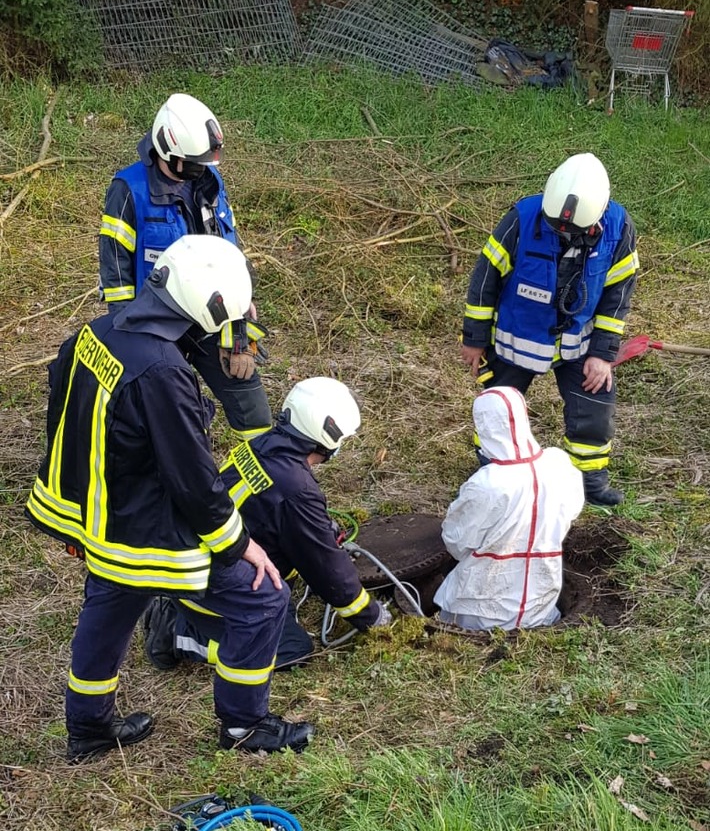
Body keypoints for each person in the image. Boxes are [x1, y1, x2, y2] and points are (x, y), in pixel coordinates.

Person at [27, 235, 314, 762]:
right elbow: (192, 479)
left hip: (99, 517)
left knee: (112, 603)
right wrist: (238, 545)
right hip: (144, 527)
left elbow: (61, 417)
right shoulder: (164, 372)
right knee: (261, 598)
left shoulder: (99, 331)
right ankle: (244, 728)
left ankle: (88, 728)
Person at [142, 377, 392, 673]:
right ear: (329, 435)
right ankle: (177, 634)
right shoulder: (296, 489)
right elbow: (329, 572)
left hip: (197, 563)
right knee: (290, 650)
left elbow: (268, 513)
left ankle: (177, 605)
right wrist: (371, 617)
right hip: (214, 588)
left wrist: (319, 527)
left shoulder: (261, 445)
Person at [460, 153, 638, 506]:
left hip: (579, 345)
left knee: (594, 407)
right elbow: (485, 280)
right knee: (499, 408)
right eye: (557, 226)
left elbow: (618, 295)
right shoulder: (522, 219)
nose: (563, 234)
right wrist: (475, 339)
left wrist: (602, 354)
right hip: (516, 340)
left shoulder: (618, 228)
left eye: (573, 231)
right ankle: (493, 473)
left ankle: (589, 482)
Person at [99, 92, 271, 438]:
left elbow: (229, 253)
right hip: (155, 324)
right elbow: (116, 273)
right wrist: (128, 344)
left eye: (202, 165)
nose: (197, 173)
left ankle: (263, 482)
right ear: (164, 149)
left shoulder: (209, 183)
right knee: (164, 415)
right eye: (191, 165)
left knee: (252, 405)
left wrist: (238, 333)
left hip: (211, 314)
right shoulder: (128, 189)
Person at [434, 386, 585, 630]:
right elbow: (571, 511)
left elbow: (456, 541)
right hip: (541, 600)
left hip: (481, 608)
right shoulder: (559, 464)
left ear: (483, 425)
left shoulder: (487, 484)